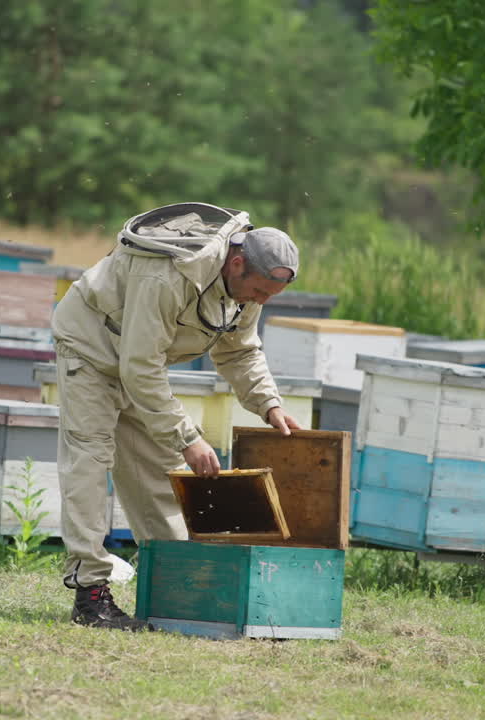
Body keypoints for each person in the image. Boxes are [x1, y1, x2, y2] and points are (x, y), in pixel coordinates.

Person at [50, 202, 303, 631]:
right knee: (91, 460)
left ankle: (175, 588)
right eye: (259, 292)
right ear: (237, 263)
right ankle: (90, 596)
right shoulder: (169, 275)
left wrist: (269, 404)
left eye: (268, 297)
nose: (260, 302)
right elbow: (140, 366)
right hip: (92, 347)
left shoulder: (246, 283)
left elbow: (239, 349)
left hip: (139, 359)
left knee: (155, 474)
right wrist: (188, 437)